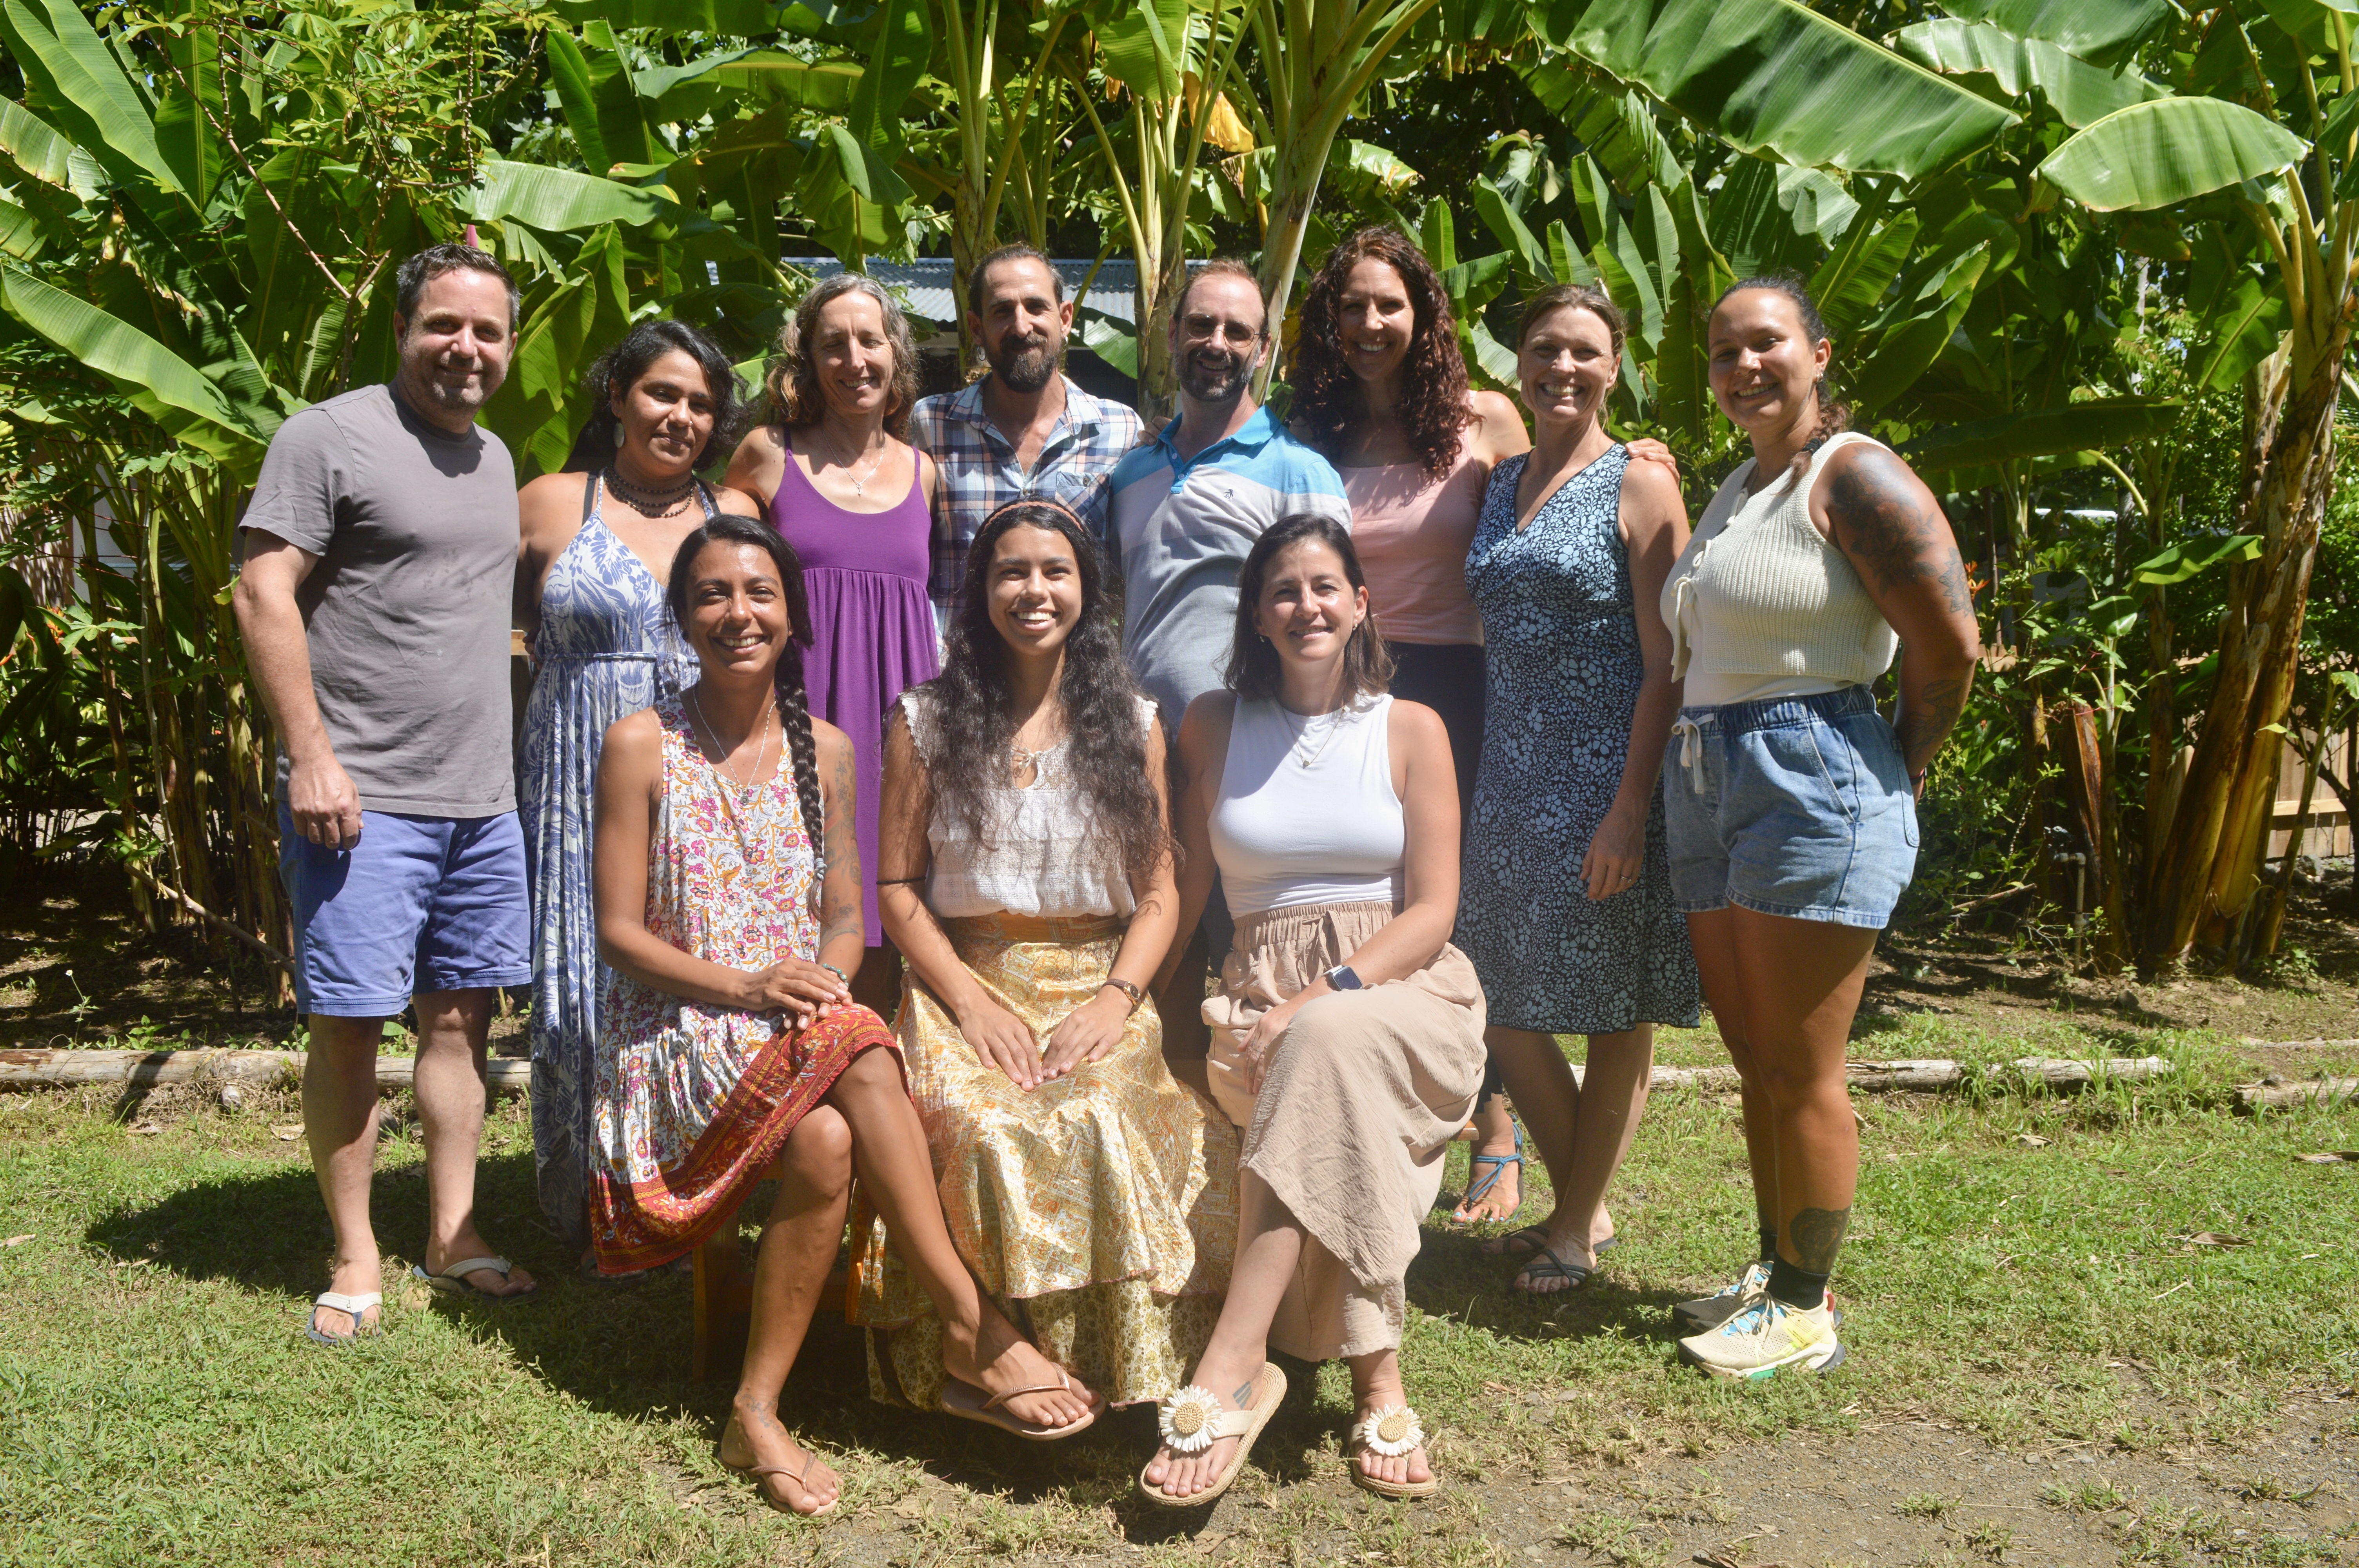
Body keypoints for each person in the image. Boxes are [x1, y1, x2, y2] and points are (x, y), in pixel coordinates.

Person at [591, 515, 1103, 1515]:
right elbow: (617, 932)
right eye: (711, 595)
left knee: (828, 1138)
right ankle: (970, 1322)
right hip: (680, 1037)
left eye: (760, 594)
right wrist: (748, 986)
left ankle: (755, 1409)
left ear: (792, 614)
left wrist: (819, 982)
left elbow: (840, 917)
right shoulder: (640, 743)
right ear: (682, 617)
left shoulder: (824, 748)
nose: (738, 614)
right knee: (867, 1048)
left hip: (797, 1029)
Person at [1661, 276, 1979, 1377]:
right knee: (1755, 1056)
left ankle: (1806, 1311)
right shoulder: (1739, 489)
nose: (1744, 365)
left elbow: (1951, 645)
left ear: (1820, 354)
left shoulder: (1858, 474)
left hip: (1812, 769)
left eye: (1767, 343)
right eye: (1723, 351)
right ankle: (1774, 1274)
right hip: (1708, 773)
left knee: (1805, 1065)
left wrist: (1900, 765)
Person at [854, 499, 1238, 1411]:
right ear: (980, 590)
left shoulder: (1132, 722)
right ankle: (985, 1354)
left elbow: (1159, 892)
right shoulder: (925, 720)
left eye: (1054, 572)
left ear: (1086, 592)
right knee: (989, 1127)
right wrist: (967, 1001)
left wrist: (1116, 999)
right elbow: (897, 888)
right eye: (1011, 571)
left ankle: (1112, 1366)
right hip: (966, 984)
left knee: (1096, 1109)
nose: (1034, 590)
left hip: (1095, 981)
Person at [1142, 515, 1485, 1506]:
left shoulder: (1410, 727)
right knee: (1315, 1070)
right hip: (1249, 994)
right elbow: (1180, 883)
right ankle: (1377, 1373)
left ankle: (1232, 1364)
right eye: (1284, 590)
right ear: (1256, 611)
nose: (1307, 606)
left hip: (1398, 986)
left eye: (1327, 586)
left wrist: (1321, 994)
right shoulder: (1209, 723)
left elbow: (1433, 909)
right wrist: (1135, 1004)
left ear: (1361, 601)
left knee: (1323, 1043)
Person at [231, 242, 539, 1343]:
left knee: (459, 1020)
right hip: (362, 793)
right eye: (445, 326)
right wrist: (311, 754)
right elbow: (264, 588)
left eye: (488, 332)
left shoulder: (497, 459)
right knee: (352, 1024)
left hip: (479, 796)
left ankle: (454, 1234)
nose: (467, 348)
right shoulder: (330, 436)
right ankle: (355, 1248)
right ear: (403, 329)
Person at [1455, 285, 1702, 1295]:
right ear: (1516, 361)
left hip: (1606, 776)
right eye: (1543, 350)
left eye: (1585, 353)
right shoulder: (1498, 477)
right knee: (1499, 1005)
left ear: (1617, 367)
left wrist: (1628, 809)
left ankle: (1569, 1230)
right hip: (1507, 776)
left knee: (1612, 1009)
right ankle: (1582, 1200)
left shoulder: (1639, 486)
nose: (1562, 367)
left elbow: (1669, 664)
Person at [515, 319, 760, 1260]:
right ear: (616, 395)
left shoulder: (729, 508)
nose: (681, 416)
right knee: (579, 974)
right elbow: (486, 634)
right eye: (662, 393)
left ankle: (679, 1187)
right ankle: (583, 1195)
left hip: (693, 765)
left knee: (679, 963)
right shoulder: (548, 504)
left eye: (701, 403)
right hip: (575, 766)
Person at [1105, 260, 1351, 1083]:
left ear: (1263, 349)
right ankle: (1173, 1124)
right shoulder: (1133, 472)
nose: (1216, 343)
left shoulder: (1297, 470)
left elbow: (1330, 615)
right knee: (1160, 944)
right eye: (1200, 326)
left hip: (1255, 754)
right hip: (1142, 754)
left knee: (1249, 952)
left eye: (1235, 331)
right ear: (1170, 337)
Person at [724, 275, 943, 1016]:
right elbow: (721, 575)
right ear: (807, 363)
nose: (854, 359)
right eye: (833, 344)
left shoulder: (925, 472)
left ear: (896, 357)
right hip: (802, 712)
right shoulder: (766, 455)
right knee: (795, 905)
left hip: (900, 725)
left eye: (870, 340)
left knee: (892, 916)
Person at [911, 244, 1143, 631]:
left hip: (1075, 681)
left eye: (1036, 307)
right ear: (975, 328)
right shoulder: (932, 425)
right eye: (1002, 311)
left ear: (1065, 317)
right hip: (960, 677)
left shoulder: (1120, 431)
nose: (1021, 327)